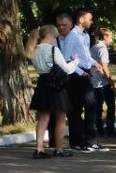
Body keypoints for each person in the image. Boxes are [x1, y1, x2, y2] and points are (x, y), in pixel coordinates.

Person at [28, 25, 76, 158]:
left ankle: (39, 148)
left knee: (43, 117)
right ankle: (59, 149)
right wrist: (75, 62)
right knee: (61, 117)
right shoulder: (53, 49)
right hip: (56, 86)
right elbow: (66, 69)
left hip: (42, 84)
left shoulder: (34, 50)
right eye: (54, 37)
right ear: (49, 36)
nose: (55, 39)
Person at [59, 10, 102, 152]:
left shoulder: (85, 35)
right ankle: (76, 141)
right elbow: (66, 58)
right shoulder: (72, 35)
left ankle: (90, 140)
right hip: (75, 74)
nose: (91, 21)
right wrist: (79, 71)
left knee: (91, 104)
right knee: (76, 109)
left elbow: (85, 55)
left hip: (86, 73)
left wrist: (95, 63)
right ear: (81, 19)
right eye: (90, 19)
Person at [90, 27, 116, 137]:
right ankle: (109, 129)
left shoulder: (94, 47)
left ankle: (99, 129)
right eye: (110, 37)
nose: (112, 40)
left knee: (98, 106)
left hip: (93, 80)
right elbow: (104, 66)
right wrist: (111, 81)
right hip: (102, 82)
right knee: (111, 105)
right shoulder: (102, 48)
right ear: (105, 37)